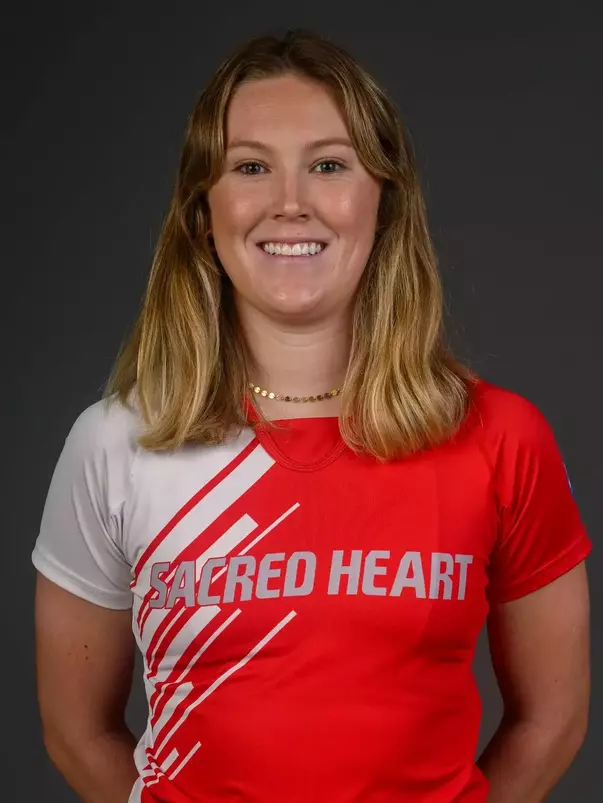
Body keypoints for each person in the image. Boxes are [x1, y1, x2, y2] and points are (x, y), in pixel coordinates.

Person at [32, 28, 591, 803]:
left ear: (382, 199)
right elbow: (76, 730)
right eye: (250, 167)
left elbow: (552, 717)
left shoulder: (501, 437)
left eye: (328, 165)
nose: (290, 202)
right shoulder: (114, 443)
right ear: (203, 211)